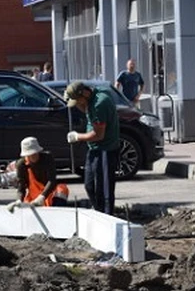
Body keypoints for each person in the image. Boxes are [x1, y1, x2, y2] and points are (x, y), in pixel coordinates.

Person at [65, 81, 120, 215]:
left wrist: (77, 137)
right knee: (89, 186)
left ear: (84, 93)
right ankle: (99, 211)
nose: (78, 104)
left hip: (105, 150)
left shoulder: (99, 104)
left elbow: (98, 135)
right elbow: (87, 110)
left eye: (78, 101)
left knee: (104, 190)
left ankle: (107, 216)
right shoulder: (90, 99)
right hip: (94, 149)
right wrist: (78, 103)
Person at [6, 136, 70, 210]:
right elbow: (21, 187)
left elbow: (52, 180)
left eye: (35, 153)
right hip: (34, 196)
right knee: (26, 206)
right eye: (31, 154)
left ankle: (57, 211)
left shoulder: (47, 158)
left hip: (49, 192)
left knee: (62, 189)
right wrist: (19, 200)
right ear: (26, 155)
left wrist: (42, 196)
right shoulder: (21, 165)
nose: (34, 156)